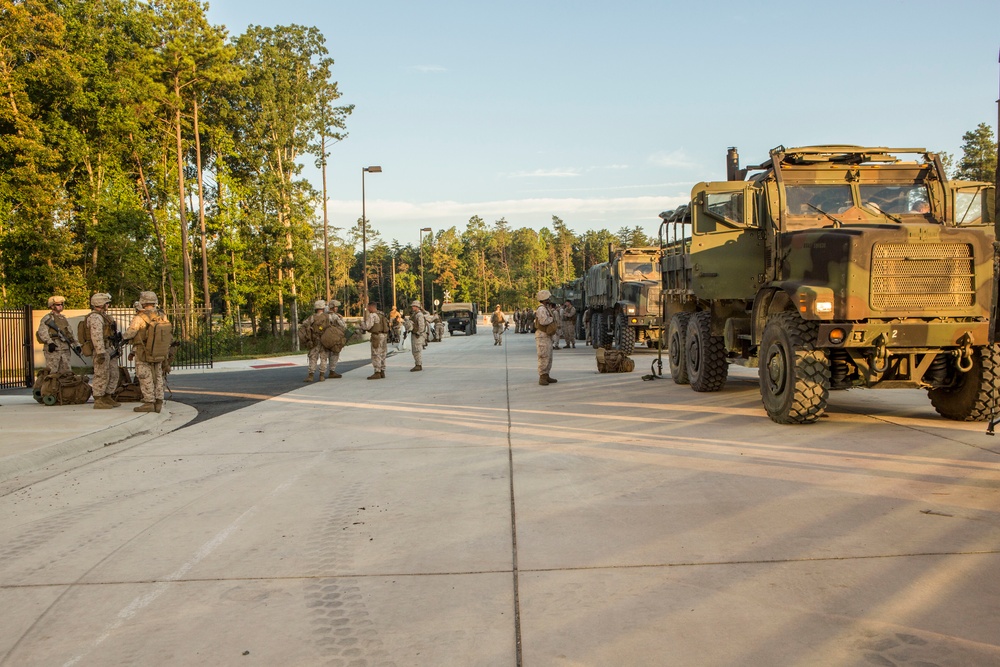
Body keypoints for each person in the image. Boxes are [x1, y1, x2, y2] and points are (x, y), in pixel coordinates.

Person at [123, 291, 166, 413]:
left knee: (145, 376)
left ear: (143, 302)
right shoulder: (162, 315)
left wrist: (123, 336)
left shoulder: (139, 318)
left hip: (143, 351)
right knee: (158, 375)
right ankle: (159, 401)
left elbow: (130, 333)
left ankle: (149, 402)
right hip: (159, 350)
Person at [86, 292, 121, 409]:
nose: (108, 305)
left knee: (114, 373)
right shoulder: (95, 317)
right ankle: (98, 398)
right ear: (101, 303)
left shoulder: (105, 316)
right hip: (101, 350)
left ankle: (107, 396)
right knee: (101, 374)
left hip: (109, 348)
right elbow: (96, 336)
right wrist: (100, 352)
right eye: (106, 303)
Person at [37, 295, 80, 375]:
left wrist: (76, 344)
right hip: (54, 349)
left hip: (65, 349)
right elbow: (42, 332)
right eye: (58, 305)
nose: (61, 306)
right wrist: (50, 342)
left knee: (66, 373)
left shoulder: (63, 319)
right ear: (52, 306)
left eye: (61, 304)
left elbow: (70, 333)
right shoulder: (48, 318)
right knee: (52, 373)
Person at [302, 299, 332, 382]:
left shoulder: (312, 317)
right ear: (323, 307)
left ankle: (311, 375)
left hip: (315, 340)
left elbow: (304, 324)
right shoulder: (328, 317)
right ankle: (322, 376)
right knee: (324, 358)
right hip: (325, 340)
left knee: (313, 357)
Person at [534, 290, 558, 385]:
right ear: (544, 299)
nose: (549, 299)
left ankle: (546, 375)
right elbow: (543, 321)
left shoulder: (545, 308)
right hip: (542, 336)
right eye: (547, 298)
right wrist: (552, 318)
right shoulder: (541, 309)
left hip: (546, 336)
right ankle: (542, 376)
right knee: (543, 356)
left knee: (548, 356)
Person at [360, 301, 389, 379]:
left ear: (371, 307)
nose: (368, 309)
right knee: (383, 353)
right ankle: (382, 371)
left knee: (376, 354)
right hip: (384, 336)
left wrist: (362, 324)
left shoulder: (372, 315)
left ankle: (377, 372)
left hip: (377, 336)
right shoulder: (381, 314)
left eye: (368, 307)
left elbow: (367, 326)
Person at [326, 300, 348, 378]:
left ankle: (322, 372)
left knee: (326, 355)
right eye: (336, 307)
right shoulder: (335, 316)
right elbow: (344, 326)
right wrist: (341, 318)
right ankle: (332, 371)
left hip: (325, 338)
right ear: (333, 307)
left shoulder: (325, 315)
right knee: (335, 354)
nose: (337, 308)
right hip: (334, 337)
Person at [409, 301, 429, 371]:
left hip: (418, 335)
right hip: (415, 334)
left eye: (413, 306)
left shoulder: (419, 315)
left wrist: (418, 333)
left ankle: (418, 365)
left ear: (417, 307)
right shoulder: (415, 314)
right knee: (415, 350)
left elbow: (421, 326)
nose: (412, 307)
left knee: (417, 350)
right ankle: (417, 364)